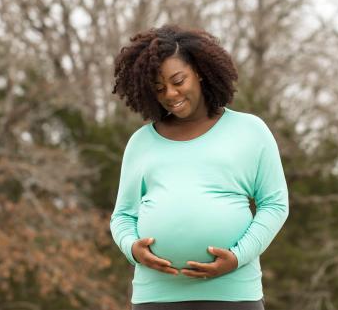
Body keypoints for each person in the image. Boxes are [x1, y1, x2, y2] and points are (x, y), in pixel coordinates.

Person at [109, 24, 289, 310]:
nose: (170, 93)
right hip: (156, 295)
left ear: (200, 72)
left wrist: (238, 257)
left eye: (178, 80)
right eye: (159, 88)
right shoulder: (141, 142)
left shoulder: (250, 130)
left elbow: (275, 204)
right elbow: (123, 216)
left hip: (233, 293)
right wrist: (133, 249)